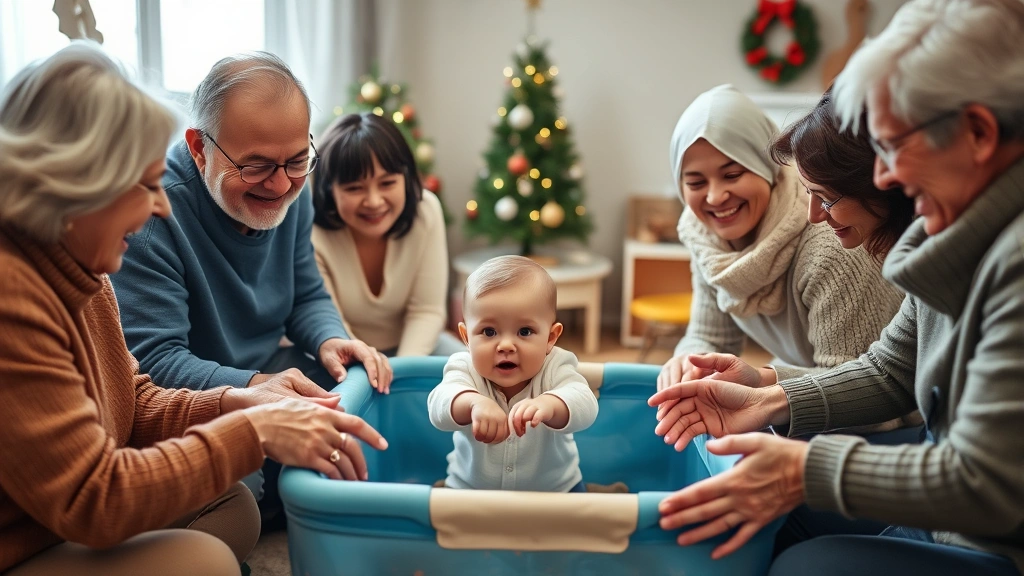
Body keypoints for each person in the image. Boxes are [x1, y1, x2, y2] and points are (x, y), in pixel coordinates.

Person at [648, 0, 1024, 573]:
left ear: (977, 132)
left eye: (895, 147)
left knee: (800, 562)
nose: (885, 176)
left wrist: (800, 470)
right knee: (744, 523)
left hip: (989, 542)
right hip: (948, 517)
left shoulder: (1008, 259)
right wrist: (764, 397)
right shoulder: (950, 231)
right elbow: (891, 370)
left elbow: (984, 481)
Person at [0, 43, 387, 576]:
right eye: (141, 185)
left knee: (236, 508)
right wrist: (253, 428)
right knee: (208, 556)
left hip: (202, 404)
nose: (157, 203)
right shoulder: (14, 296)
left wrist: (244, 402)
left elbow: (131, 395)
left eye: (295, 161)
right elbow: (96, 497)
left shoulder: (82, 263)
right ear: (75, 187)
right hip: (37, 536)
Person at [108, 52, 392, 525]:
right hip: (191, 397)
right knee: (242, 487)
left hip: (262, 366)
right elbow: (154, 364)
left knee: (349, 399)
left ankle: (287, 498)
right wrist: (258, 390)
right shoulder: (152, 215)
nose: (281, 185)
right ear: (199, 148)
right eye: (256, 167)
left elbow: (305, 291)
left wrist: (329, 337)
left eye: (297, 160)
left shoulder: (290, 188)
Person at [665, 88, 921, 438]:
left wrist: (765, 384)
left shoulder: (838, 241)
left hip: (888, 433)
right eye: (695, 182)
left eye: (732, 174)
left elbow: (873, 392)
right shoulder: (708, 242)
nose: (714, 196)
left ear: (767, 168)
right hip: (817, 406)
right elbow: (710, 337)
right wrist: (688, 366)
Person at [427, 256, 598, 492]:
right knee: (441, 524)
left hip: (555, 494)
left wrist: (551, 404)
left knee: (585, 526)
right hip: (469, 493)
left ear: (550, 338)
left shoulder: (555, 366)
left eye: (524, 331)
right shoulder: (464, 368)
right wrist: (472, 402)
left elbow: (586, 404)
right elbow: (438, 405)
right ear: (466, 338)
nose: (506, 345)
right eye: (489, 331)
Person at [311, 112, 464, 358]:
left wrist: (400, 371)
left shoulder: (426, 211)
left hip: (417, 348)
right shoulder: (312, 230)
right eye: (354, 188)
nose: (373, 201)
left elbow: (426, 311)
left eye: (387, 183)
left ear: (406, 178)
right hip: (345, 355)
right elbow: (332, 328)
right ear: (330, 190)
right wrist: (372, 367)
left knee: (479, 373)